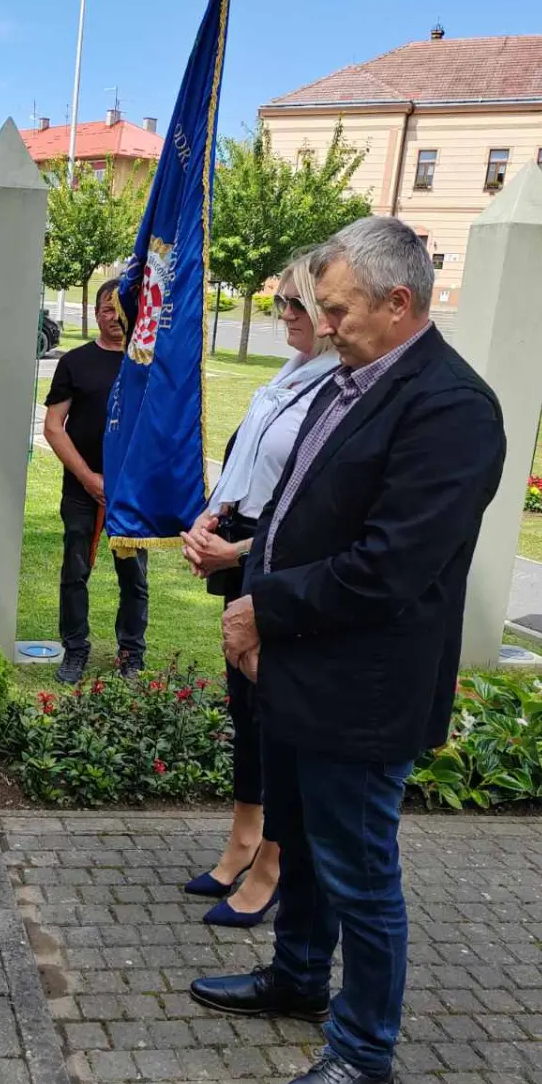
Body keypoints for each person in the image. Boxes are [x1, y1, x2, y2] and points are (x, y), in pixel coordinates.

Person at [188, 217, 507, 1084]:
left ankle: (364, 1055)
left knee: (360, 874)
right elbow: (299, 511)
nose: (322, 326)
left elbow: (388, 567)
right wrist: (253, 571)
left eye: (336, 310)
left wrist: (263, 605)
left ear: (398, 302)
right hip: (301, 664)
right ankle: (297, 977)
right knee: (298, 837)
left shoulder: (452, 407)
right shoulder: (352, 380)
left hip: (364, 688)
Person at [179, 250, 338, 928]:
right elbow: (249, 462)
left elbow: (313, 512)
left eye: (297, 304)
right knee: (245, 709)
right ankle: (243, 838)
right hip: (246, 544)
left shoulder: (337, 387)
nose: (285, 315)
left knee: (277, 716)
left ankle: (272, 862)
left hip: (281, 561)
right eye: (281, 302)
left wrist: (237, 548)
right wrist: (210, 518)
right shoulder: (290, 374)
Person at [43, 278, 148, 684]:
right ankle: (75, 650)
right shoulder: (75, 362)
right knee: (75, 571)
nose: (115, 317)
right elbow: (54, 427)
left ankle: (131, 655)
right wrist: (88, 479)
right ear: (96, 313)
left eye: (122, 309)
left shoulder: (146, 365)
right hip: (82, 490)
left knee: (134, 577)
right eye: (107, 309)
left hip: (131, 493)